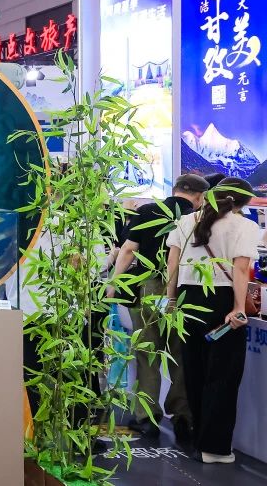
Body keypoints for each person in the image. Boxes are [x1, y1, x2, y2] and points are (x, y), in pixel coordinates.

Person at [165, 177, 262, 464]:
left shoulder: (186, 221)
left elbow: (172, 262)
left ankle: (199, 440)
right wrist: (238, 308)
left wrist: (171, 300)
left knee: (194, 371)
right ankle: (215, 449)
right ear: (243, 203)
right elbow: (241, 270)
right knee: (223, 375)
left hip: (187, 299)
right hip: (221, 301)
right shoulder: (244, 226)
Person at [109, 173, 209, 439]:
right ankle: (182, 416)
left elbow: (128, 250)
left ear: (175, 189)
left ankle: (147, 418)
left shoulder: (148, 211)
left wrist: (114, 283)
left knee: (147, 353)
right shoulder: (198, 218)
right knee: (180, 355)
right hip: (185, 290)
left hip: (149, 287)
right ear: (199, 197)